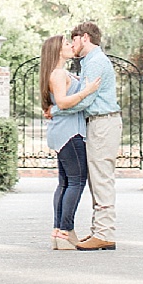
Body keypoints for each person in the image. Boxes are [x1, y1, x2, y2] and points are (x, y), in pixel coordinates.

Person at [40, 32, 100, 250]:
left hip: (62, 131)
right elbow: (64, 103)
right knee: (76, 181)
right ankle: (64, 232)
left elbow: (58, 104)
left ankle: (59, 232)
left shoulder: (59, 73)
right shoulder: (57, 74)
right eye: (66, 43)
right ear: (57, 50)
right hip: (69, 133)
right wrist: (87, 91)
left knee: (65, 183)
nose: (69, 46)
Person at [68, 21, 119, 250]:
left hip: (103, 123)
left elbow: (86, 99)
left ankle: (105, 234)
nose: (72, 44)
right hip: (99, 123)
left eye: (74, 39)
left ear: (85, 38)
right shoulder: (91, 61)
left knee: (101, 178)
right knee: (96, 178)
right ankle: (99, 230)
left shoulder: (96, 62)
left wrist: (58, 108)